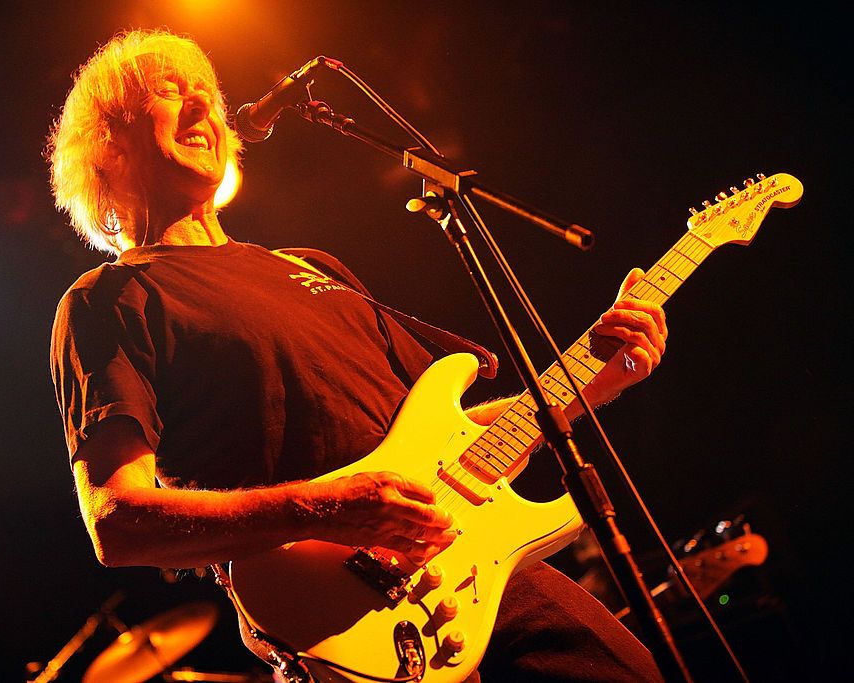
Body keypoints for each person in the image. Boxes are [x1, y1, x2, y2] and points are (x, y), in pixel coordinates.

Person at [48, 29, 669, 682]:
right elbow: (117, 520)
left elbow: (444, 442)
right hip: (347, 630)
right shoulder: (110, 298)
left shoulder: (308, 265)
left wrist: (593, 381)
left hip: (477, 569)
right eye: (166, 90)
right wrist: (330, 508)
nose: (200, 98)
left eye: (204, 85)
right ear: (108, 149)